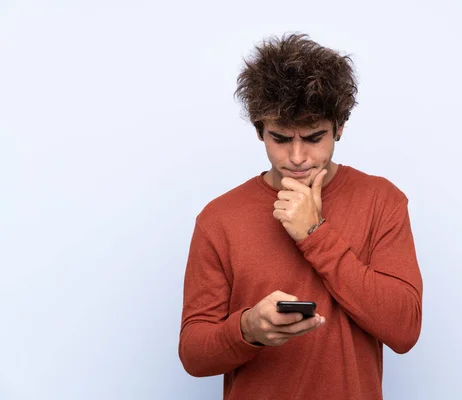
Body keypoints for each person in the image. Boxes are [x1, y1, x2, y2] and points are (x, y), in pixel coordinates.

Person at [178, 33, 423, 400]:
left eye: (313, 138)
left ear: (340, 127)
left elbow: (404, 329)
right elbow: (193, 355)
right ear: (259, 129)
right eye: (280, 138)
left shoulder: (381, 201)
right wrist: (248, 329)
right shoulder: (219, 219)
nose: (296, 157)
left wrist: (315, 233)